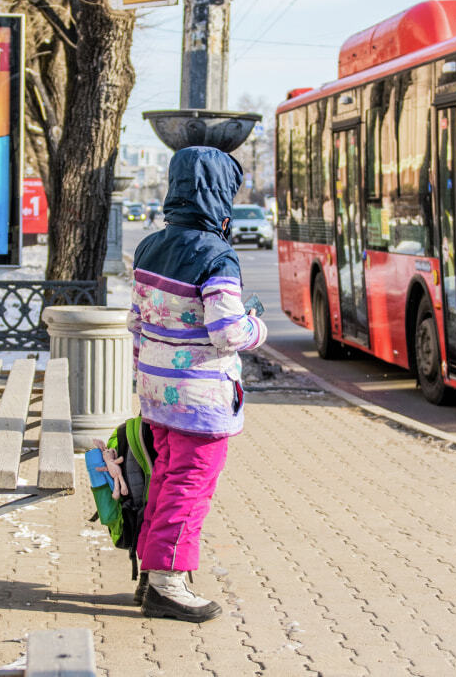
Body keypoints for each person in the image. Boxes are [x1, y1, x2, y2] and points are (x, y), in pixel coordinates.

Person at [127, 146, 268, 622]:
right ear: (220, 195)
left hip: (156, 395)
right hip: (200, 400)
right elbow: (228, 332)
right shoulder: (216, 256)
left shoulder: (150, 247)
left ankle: (154, 572)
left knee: (165, 479)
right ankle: (168, 580)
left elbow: (136, 323)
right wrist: (255, 326)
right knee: (187, 487)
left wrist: (143, 379)